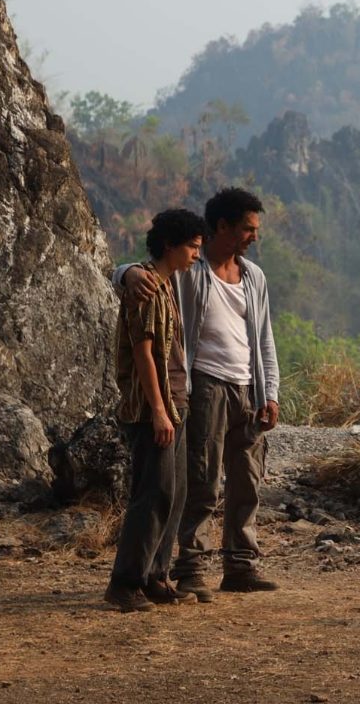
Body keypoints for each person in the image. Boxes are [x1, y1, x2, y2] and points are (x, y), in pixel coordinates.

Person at [115, 187, 280, 601]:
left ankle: (239, 566)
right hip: (203, 386)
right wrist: (126, 273)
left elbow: (264, 340)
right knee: (197, 484)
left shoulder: (253, 277)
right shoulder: (190, 271)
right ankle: (187, 570)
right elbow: (144, 273)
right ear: (221, 227)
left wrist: (270, 392)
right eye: (247, 228)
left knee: (246, 482)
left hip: (248, 387)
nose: (253, 236)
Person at [104, 209, 205, 613]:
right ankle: (125, 582)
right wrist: (160, 410)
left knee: (175, 492)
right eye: (192, 247)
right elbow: (144, 355)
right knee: (153, 494)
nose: (196, 254)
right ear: (170, 246)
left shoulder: (168, 286)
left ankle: (155, 575)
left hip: (175, 405)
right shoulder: (146, 287)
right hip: (152, 411)